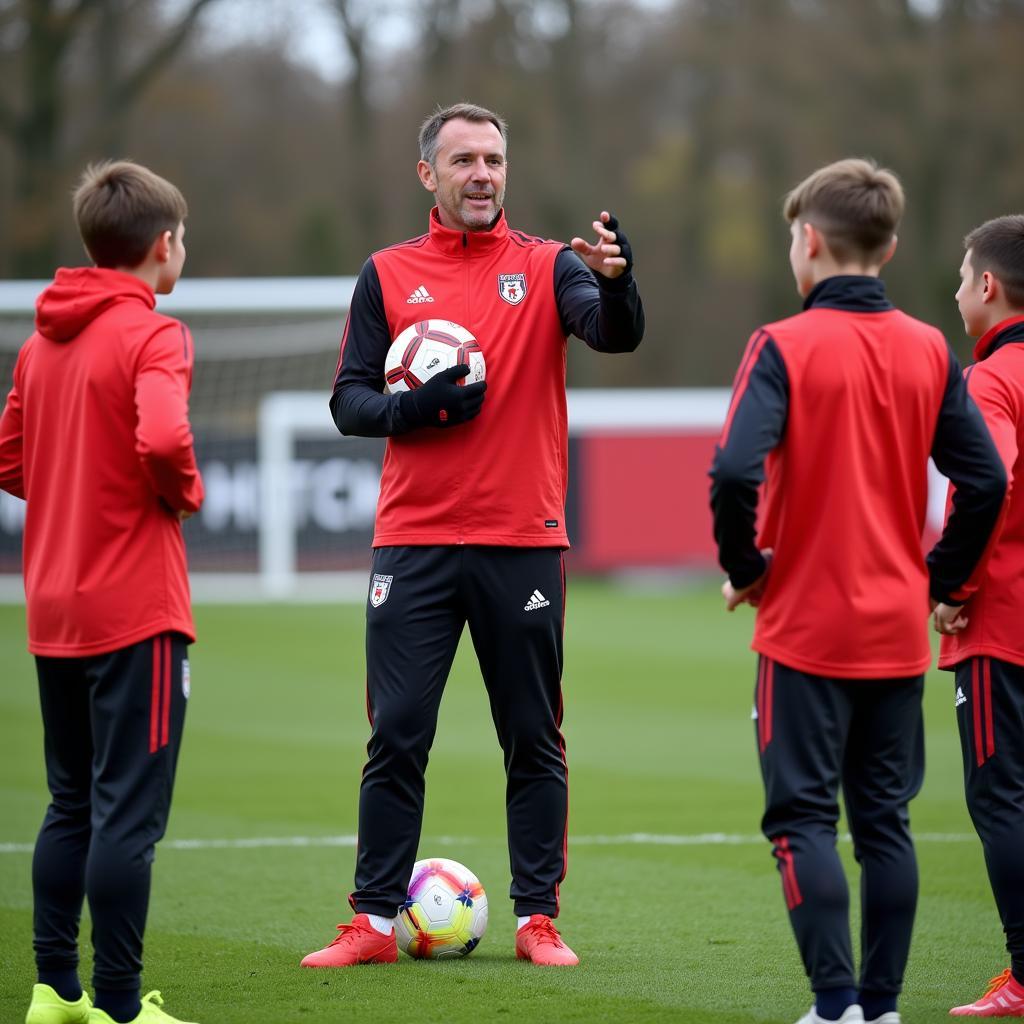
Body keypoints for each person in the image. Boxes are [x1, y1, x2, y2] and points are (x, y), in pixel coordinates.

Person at [300, 102, 644, 968]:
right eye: (463, 161)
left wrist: (615, 277)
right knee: (400, 731)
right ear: (430, 175)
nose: (483, 174)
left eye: (493, 158)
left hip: (522, 541)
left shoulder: (550, 266)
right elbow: (348, 402)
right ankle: (373, 923)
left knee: (531, 734)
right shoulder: (386, 273)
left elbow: (615, 332)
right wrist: (413, 409)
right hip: (413, 541)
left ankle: (537, 920)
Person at [709, 158, 1006, 1024]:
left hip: (804, 629)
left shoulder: (781, 345)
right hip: (894, 635)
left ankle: (834, 1006)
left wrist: (749, 568)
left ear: (808, 242)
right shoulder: (927, 347)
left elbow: (732, 471)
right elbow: (984, 482)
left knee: (802, 819)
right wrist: (939, 578)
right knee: (886, 824)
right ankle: (880, 1009)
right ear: (891, 245)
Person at [0, 161, 204, 1024]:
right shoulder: (156, 335)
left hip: (53, 607)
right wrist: (181, 490)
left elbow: (8, 458)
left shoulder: (40, 341)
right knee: (129, 815)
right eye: (183, 240)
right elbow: (162, 437)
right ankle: (121, 1004)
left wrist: (73, 492)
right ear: (163, 248)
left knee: (71, 801)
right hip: (135, 611)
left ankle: (54, 993)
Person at [933, 215, 1024, 1018]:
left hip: (1003, 625)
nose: (958, 291)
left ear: (987, 288)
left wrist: (949, 583)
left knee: (1003, 798)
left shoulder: (992, 379)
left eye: (963, 278)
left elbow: (987, 479)